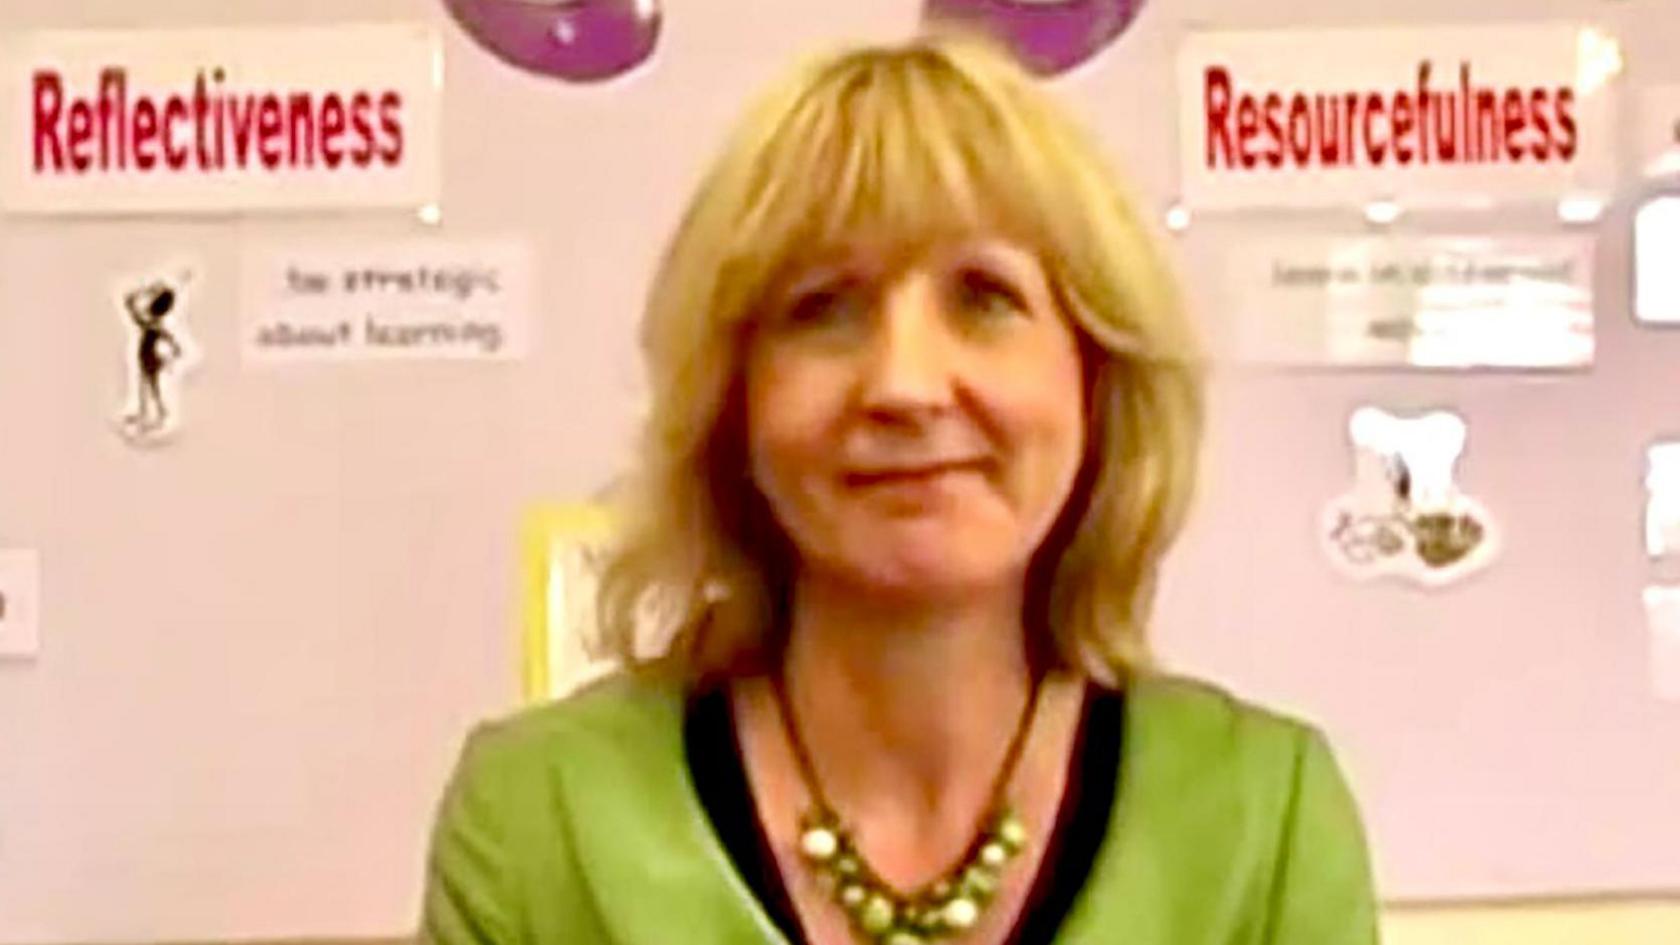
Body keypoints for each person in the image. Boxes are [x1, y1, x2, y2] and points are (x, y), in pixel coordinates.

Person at [421, 33, 1378, 945]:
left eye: (983, 296)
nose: (905, 385)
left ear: (1095, 378)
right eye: (822, 309)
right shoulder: (536, 823)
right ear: (733, 402)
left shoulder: (1266, 820)